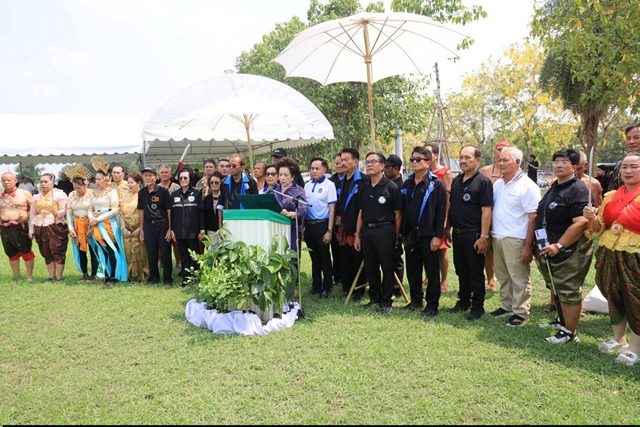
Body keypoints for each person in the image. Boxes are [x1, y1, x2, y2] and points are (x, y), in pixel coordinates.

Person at [584, 151, 640, 365]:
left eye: (634, 166)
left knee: (635, 297)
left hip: (635, 254)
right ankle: (619, 338)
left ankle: (636, 347)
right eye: (624, 166)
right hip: (609, 252)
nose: (628, 171)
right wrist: (591, 218)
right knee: (613, 293)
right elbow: (599, 227)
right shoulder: (611, 197)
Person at [534, 148, 592, 343]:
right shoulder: (555, 186)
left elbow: (581, 222)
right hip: (548, 247)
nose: (558, 165)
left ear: (575, 167)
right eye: (556, 162)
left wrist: (559, 245)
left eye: (564, 162)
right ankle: (561, 321)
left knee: (568, 290)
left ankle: (570, 333)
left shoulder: (577, 189)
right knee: (557, 287)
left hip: (567, 250)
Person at [489, 147, 541, 326]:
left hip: (516, 239)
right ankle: (507, 306)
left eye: (505, 160)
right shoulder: (498, 184)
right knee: (503, 276)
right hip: (497, 236)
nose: (501, 163)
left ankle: (521, 312)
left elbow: (533, 217)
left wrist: (528, 245)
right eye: (499, 160)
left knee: (519, 278)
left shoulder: (527, 185)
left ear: (517, 162)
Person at [444, 146, 493, 320]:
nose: (463, 161)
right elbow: (452, 207)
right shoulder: (457, 180)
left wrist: (484, 237)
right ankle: (463, 301)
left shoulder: (483, 182)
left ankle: (477, 306)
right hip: (458, 234)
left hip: (474, 234)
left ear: (477, 160)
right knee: (461, 270)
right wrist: (447, 228)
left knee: (475, 272)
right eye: (461, 157)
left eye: (467, 157)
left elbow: (486, 211)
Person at [354, 152, 402, 314]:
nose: (369, 165)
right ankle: (374, 297)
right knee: (371, 266)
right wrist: (357, 235)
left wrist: (395, 236)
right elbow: (361, 212)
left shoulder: (391, 187)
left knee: (387, 267)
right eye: (367, 162)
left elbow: (398, 214)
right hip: (367, 231)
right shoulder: (364, 187)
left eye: (373, 162)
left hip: (385, 231)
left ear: (382, 166)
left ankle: (386, 301)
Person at [400, 147, 446, 315]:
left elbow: (441, 212)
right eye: (412, 159)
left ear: (428, 162)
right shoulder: (408, 183)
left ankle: (432, 305)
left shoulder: (436, 184)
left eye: (418, 159)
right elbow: (403, 209)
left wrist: (437, 236)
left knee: (432, 270)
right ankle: (416, 300)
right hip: (410, 234)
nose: (414, 162)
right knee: (413, 269)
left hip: (428, 234)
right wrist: (402, 233)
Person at [335, 147, 370, 301]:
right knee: (344, 258)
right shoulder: (340, 181)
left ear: (355, 162)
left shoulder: (364, 181)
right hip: (342, 226)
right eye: (341, 160)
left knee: (357, 258)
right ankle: (347, 287)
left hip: (357, 225)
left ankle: (359, 290)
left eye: (346, 160)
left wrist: (359, 231)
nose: (343, 163)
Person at [88, 161, 127, 285]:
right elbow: (89, 209)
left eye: (100, 179)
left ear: (106, 179)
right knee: (103, 249)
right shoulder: (93, 193)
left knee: (111, 249)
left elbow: (115, 210)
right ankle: (107, 275)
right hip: (96, 223)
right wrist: (91, 218)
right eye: (96, 179)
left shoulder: (111, 192)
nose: (97, 181)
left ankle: (114, 276)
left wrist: (98, 219)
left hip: (109, 223)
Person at [480, 140, 513, 291]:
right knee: (488, 250)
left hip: (507, 217)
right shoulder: (485, 171)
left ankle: (509, 280)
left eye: (505, 149)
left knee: (506, 249)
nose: (501, 152)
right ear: (494, 152)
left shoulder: (516, 172)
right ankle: (490, 280)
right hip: (488, 214)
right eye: (499, 149)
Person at [304, 157, 337, 298]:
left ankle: (327, 286)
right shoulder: (307, 185)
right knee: (314, 257)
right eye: (312, 168)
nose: (314, 171)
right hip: (309, 225)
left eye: (317, 168)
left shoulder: (329, 185)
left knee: (324, 256)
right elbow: (304, 207)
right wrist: (303, 228)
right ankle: (316, 285)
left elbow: (332, 208)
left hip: (322, 224)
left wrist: (329, 230)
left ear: (324, 169)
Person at [29, 173, 69, 281]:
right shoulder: (36, 197)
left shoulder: (59, 194)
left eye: (46, 181)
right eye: (41, 182)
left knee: (58, 249)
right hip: (40, 225)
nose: (43, 184)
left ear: (52, 182)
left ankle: (59, 276)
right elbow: (32, 214)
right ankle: (51, 275)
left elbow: (65, 210)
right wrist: (31, 229)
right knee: (45, 250)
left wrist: (59, 213)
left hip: (55, 224)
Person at [425, 143, 453, 294]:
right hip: (426, 217)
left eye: (429, 153)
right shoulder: (422, 172)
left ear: (436, 155)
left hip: (440, 216)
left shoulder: (445, 172)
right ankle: (428, 276)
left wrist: (445, 219)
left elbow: (448, 198)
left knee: (441, 250)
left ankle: (444, 281)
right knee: (426, 247)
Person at [138, 166, 173, 286]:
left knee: (165, 252)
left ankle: (167, 279)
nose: (148, 178)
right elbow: (141, 211)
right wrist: (142, 229)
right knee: (151, 253)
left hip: (162, 225)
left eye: (150, 175)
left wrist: (170, 228)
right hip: (148, 226)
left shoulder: (163, 191)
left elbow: (169, 210)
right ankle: (153, 277)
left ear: (156, 177)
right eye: (145, 175)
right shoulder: (142, 192)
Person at [170, 168, 205, 287]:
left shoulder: (196, 193)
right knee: (183, 255)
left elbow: (201, 212)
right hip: (179, 232)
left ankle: (195, 278)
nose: (183, 180)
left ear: (190, 179)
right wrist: (172, 230)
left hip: (193, 231)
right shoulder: (175, 194)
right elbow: (172, 214)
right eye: (181, 178)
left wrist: (202, 229)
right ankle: (185, 279)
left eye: (185, 178)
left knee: (194, 256)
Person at [65, 164, 98, 283]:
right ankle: (84, 274)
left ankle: (94, 274)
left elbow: (96, 211)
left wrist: (91, 227)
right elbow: (69, 212)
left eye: (79, 188)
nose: (77, 190)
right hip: (77, 224)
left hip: (90, 223)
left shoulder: (93, 193)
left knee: (93, 249)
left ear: (86, 184)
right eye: (75, 188)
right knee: (81, 249)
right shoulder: (71, 195)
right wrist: (70, 227)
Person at [273, 157, 307, 273]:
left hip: (292, 229)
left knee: (291, 258)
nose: (282, 178)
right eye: (280, 175)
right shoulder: (274, 190)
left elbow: (303, 210)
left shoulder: (298, 191)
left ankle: (293, 281)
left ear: (292, 176)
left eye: (286, 175)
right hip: (276, 228)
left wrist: (291, 213)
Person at [1, 172, 35, 281]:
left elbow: (34, 208)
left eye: (8, 180)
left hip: (21, 226)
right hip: (5, 228)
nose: (6, 182)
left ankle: (29, 276)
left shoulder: (25, 193)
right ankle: (16, 276)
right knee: (11, 252)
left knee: (26, 250)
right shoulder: (1, 196)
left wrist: (26, 216)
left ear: (15, 181)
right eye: (3, 180)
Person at [120, 172, 149, 282]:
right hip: (127, 228)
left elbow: (146, 213)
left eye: (132, 182)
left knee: (141, 252)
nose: (129, 185)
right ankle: (132, 275)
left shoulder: (143, 195)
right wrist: (123, 228)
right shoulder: (125, 197)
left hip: (140, 228)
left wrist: (140, 229)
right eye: (128, 183)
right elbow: (121, 214)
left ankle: (144, 275)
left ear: (139, 183)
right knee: (129, 252)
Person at [384, 153, 405, 295]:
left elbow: (400, 212)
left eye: (388, 167)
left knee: (396, 256)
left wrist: (398, 233)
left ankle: (397, 287)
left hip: (397, 226)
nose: (385, 170)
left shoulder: (401, 186)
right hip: (386, 227)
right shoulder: (386, 184)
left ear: (396, 168)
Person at [158, 165, 182, 270]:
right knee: (160, 242)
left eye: (166, 172)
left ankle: (178, 262)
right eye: (162, 172)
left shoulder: (176, 187)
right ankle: (162, 261)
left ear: (170, 174)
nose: (164, 174)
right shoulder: (156, 187)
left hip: (175, 217)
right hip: (161, 217)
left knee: (176, 242)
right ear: (159, 175)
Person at [329, 154, 345, 289]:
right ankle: (337, 275)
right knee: (335, 248)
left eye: (341, 163)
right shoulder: (331, 181)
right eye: (337, 163)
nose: (339, 166)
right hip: (333, 220)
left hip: (347, 219)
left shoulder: (350, 180)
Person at [608, 124, 640, 192]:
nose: (631, 142)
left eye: (637, 137)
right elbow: (613, 190)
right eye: (628, 138)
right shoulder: (620, 165)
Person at [203, 171, 225, 245]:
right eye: (211, 182)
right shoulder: (206, 199)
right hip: (211, 231)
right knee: (212, 250)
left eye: (216, 182)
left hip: (224, 230)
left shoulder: (225, 197)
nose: (213, 184)